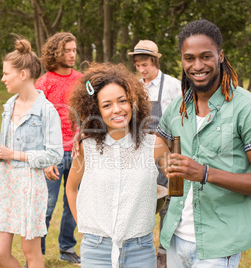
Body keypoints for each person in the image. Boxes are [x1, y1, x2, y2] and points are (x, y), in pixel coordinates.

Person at [157, 19, 251, 267]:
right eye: (189, 58)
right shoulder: (180, 105)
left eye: (206, 56)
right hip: (174, 237)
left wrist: (205, 173)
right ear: (182, 60)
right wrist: (165, 162)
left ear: (221, 56)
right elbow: (159, 140)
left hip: (217, 244)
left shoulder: (247, 109)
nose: (197, 66)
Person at [66, 62, 171, 268]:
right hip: (96, 251)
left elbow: (180, 184)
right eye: (107, 105)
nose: (117, 109)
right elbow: (71, 189)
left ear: (133, 101)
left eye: (122, 101)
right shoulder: (86, 148)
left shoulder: (154, 145)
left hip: (140, 251)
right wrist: (84, 228)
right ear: (96, 110)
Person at [0, 36, 63, 268]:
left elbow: (54, 154)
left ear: (23, 74)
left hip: (29, 184)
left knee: (31, 253)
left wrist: (13, 155)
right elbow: (6, 150)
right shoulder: (8, 106)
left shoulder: (46, 111)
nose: (2, 78)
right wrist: (0, 160)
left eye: (6, 74)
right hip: (5, 184)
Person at [129, 39, 181, 268]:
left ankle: (166, 255)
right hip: (140, 156)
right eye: (138, 65)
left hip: (165, 153)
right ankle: (143, 254)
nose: (141, 70)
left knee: (169, 205)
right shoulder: (133, 86)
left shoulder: (172, 85)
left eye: (145, 65)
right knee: (142, 206)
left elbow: (182, 120)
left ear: (155, 62)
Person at [34, 32, 83, 264]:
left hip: (77, 153)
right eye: (67, 50)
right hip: (51, 154)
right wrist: (45, 158)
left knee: (73, 204)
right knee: (46, 206)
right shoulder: (43, 84)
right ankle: (37, 254)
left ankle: (67, 248)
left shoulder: (84, 81)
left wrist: (83, 133)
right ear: (55, 52)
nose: (72, 54)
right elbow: (36, 122)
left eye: (74, 50)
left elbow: (91, 110)